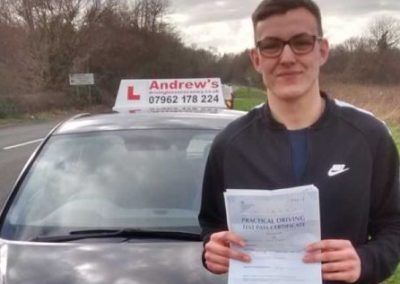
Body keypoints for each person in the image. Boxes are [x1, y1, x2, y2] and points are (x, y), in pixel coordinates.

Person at [198, 0, 400, 283]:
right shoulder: (228, 145)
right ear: (256, 58)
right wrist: (212, 251)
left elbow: (393, 227)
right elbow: (211, 225)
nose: (288, 57)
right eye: (271, 45)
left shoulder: (369, 136)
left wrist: (365, 261)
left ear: (322, 50)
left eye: (301, 42)